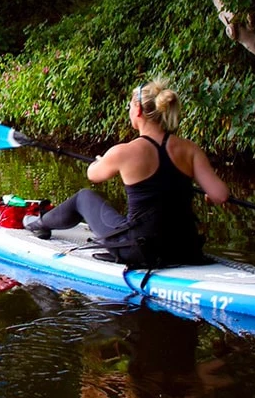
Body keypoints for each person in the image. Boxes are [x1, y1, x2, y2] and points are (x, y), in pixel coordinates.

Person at [23, 79, 229, 268]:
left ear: (138, 110)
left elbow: (92, 174)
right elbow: (220, 195)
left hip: (141, 250)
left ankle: (40, 224)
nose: (129, 110)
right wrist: (208, 194)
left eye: (130, 106)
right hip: (186, 248)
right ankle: (42, 222)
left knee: (83, 197)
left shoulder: (124, 152)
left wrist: (103, 161)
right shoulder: (190, 149)